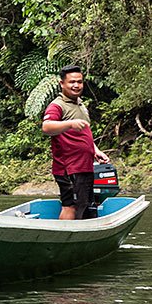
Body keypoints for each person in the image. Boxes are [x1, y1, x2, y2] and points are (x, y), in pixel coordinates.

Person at [40, 64, 109, 220]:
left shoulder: (81, 105)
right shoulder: (57, 106)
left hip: (84, 167)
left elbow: (84, 134)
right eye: (72, 82)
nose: (76, 85)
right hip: (68, 168)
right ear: (62, 84)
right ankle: (62, 239)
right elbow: (46, 127)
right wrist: (70, 123)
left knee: (82, 205)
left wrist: (95, 150)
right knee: (70, 205)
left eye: (79, 81)